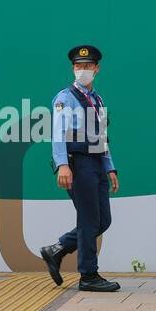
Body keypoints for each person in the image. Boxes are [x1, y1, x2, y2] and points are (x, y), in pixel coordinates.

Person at [39, 45, 121, 292]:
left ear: (96, 69)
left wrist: (110, 167)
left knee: (102, 221)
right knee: (88, 220)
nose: (82, 71)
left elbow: (101, 136)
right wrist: (63, 165)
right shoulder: (65, 98)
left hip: (96, 163)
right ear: (73, 69)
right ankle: (88, 275)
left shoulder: (97, 99)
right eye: (78, 67)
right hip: (78, 164)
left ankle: (57, 249)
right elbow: (57, 133)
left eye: (87, 67)